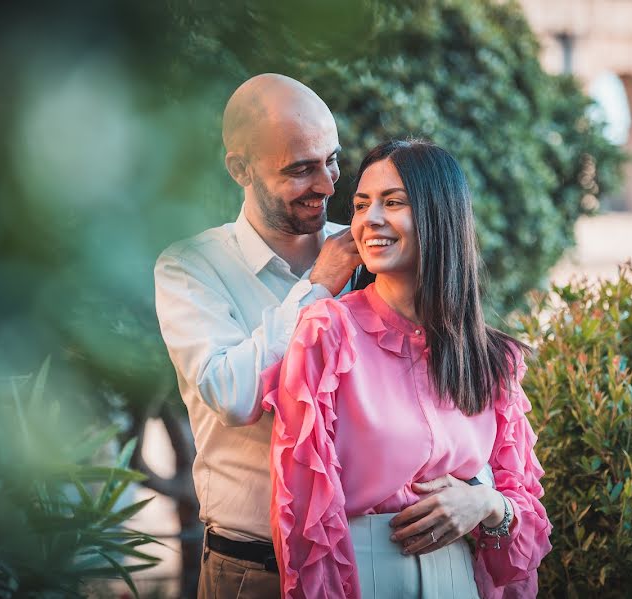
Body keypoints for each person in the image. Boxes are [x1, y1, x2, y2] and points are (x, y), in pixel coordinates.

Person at [155, 74, 495, 599]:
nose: (329, 185)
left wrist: (481, 495)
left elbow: (445, 389)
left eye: (332, 160)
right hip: (254, 567)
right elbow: (233, 395)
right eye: (300, 169)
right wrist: (317, 288)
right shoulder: (192, 267)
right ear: (240, 168)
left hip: (377, 563)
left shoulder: (374, 242)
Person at [262, 140, 553, 599]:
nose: (368, 220)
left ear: (440, 215)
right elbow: (301, 514)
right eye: (361, 205)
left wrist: (486, 504)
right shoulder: (328, 334)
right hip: (363, 577)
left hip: (461, 580)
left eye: (392, 202)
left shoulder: (494, 359)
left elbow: (522, 529)